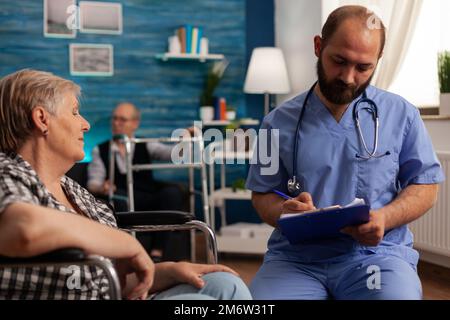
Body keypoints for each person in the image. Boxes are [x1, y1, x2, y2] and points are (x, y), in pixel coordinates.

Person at [246, 5, 444, 300]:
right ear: (318, 46)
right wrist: (283, 211)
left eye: (364, 67)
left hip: (375, 257)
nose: (349, 77)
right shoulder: (275, 122)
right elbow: (263, 194)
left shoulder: (402, 114)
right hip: (297, 261)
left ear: (377, 62)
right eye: (339, 61)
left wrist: (385, 218)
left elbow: (426, 186)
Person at [0, 69, 252, 300]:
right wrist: (125, 242)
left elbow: (111, 280)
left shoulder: (73, 189)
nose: (86, 124)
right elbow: (23, 227)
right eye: (75, 112)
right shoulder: (7, 172)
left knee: (226, 285)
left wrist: (168, 271)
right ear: (42, 119)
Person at [87, 102, 190, 260]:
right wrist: (102, 187)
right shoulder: (100, 150)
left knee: (172, 193)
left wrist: (185, 141)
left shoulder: (144, 144)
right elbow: (93, 183)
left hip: (147, 197)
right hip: (122, 198)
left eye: (122, 119)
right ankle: (128, 253)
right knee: (119, 201)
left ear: (135, 123)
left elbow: (173, 155)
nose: (116, 123)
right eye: (114, 119)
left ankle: (158, 250)